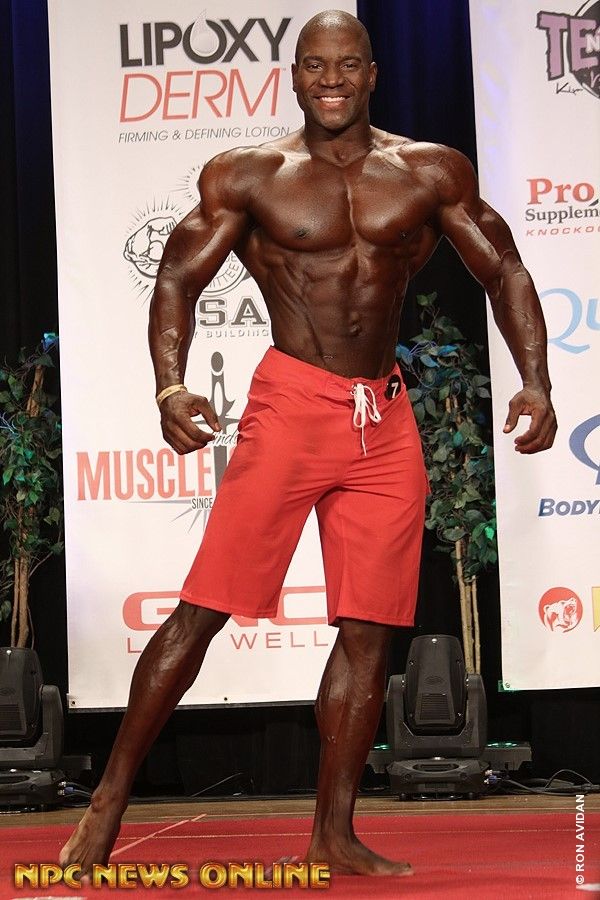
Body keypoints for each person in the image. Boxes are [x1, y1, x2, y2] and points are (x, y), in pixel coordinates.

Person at [60, 9, 557, 878]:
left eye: (347, 64)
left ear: (372, 74)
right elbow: (177, 275)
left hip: (383, 418)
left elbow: (504, 268)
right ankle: (106, 804)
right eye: (315, 65)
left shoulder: (430, 171)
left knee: (369, 633)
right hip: (291, 405)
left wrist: (536, 380)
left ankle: (334, 830)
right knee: (204, 609)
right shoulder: (250, 175)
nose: (331, 80)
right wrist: (170, 386)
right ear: (294, 76)